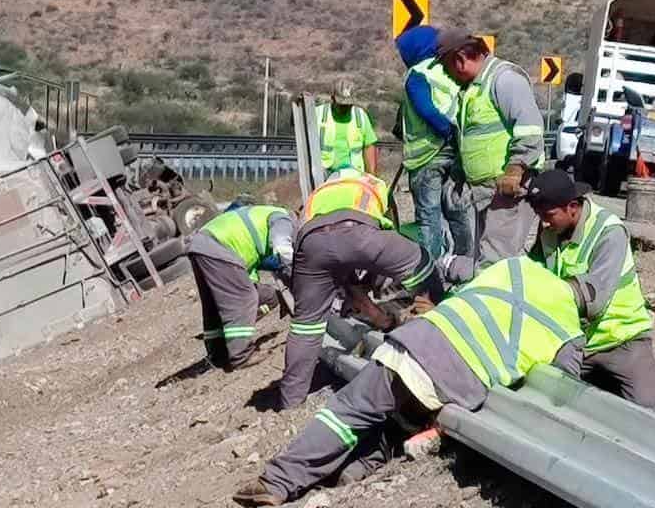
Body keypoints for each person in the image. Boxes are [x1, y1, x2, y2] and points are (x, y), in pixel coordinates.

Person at [233, 256, 584, 506]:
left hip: (423, 342)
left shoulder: (518, 268)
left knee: (348, 412)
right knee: (401, 422)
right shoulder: (570, 331)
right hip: (458, 387)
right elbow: (560, 389)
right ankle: (355, 470)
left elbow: (460, 268)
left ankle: (278, 482)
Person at [278, 168, 433, 409]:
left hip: (311, 244)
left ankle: (290, 402)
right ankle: (436, 317)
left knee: (306, 326)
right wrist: (375, 289)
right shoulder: (373, 183)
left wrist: (364, 296)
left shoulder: (317, 194)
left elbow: (340, 263)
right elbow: (385, 235)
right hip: (358, 231)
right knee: (421, 263)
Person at [526, 169, 655, 409]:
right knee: (550, 400)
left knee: (647, 412)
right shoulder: (549, 231)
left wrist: (547, 293)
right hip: (575, 340)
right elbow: (532, 274)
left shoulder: (609, 231)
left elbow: (594, 300)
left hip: (622, 338)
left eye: (548, 215)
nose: (544, 222)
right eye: (539, 216)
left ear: (572, 207)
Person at [433, 29, 545, 285]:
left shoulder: (504, 80)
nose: (447, 75)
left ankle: (491, 317)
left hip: (507, 189)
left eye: (446, 67)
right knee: (487, 257)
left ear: (460, 59)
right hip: (485, 193)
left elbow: (530, 127)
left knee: (493, 263)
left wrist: (516, 168)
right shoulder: (474, 89)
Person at [395, 25, 473, 299]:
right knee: (458, 212)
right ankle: (468, 268)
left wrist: (444, 130)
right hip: (456, 153)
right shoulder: (450, 69)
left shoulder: (417, 75)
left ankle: (432, 278)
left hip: (427, 157)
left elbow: (425, 108)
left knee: (429, 218)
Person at [187, 204, 296, 371]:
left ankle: (218, 355)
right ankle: (240, 356)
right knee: (243, 298)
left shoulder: (257, 229)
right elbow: (284, 251)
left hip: (203, 244)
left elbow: (250, 275)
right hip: (216, 244)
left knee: (214, 305)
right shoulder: (283, 218)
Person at [315, 79, 379, 175]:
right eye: (341, 105)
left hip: (354, 175)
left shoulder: (360, 116)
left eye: (348, 105)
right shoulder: (318, 113)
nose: (345, 108)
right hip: (325, 174)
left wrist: (371, 175)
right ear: (332, 99)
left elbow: (369, 146)